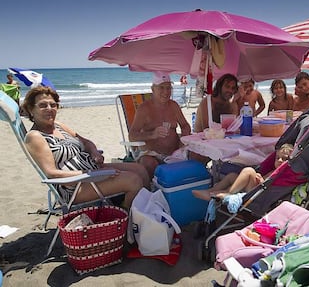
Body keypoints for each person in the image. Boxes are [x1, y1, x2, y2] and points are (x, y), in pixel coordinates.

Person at [22, 86, 150, 209]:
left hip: (93, 171)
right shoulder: (35, 137)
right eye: (43, 105)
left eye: (53, 104)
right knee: (133, 180)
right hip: (76, 185)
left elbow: (86, 142)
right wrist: (94, 174)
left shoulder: (58, 125)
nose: (49, 108)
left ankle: (146, 211)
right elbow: (52, 174)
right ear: (31, 109)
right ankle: (127, 215)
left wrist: (95, 153)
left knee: (140, 169)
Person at [129, 71, 191, 178]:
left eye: (168, 88)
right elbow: (132, 136)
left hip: (175, 153)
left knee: (198, 155)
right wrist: (152, 134)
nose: (166, 92)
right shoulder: (144, 109)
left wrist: (183, 141)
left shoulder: (174, 106)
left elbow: (185, 126)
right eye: (161, 88)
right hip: (152, 154)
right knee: (148, 163)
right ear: (153, 89)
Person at [192, 144, 294, 201]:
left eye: (284, 159)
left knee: (249, 171)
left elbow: (272, 187)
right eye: (277, 158)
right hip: (256, 189)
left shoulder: (285, 174)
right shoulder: (274, 170)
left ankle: (228, 193)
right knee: (232, 176)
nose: (280, 160)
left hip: (260, 195)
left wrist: (262, 180)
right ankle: (212, 191)